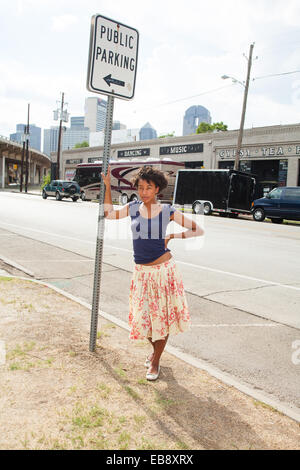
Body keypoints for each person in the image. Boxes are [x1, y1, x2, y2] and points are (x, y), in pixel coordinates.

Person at [101, 165, 204, 381]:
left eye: (149, 188)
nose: (144, 192)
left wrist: (172, 237)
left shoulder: (168, 211)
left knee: (162, 320)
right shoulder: (132, 207)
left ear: (157, 189)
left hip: (163, 272)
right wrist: (108, 187)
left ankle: (155, 362)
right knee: (144, 319)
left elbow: (198, 229)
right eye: (140, 188)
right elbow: (109, 214)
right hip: (141, 273)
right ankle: (155, 352)